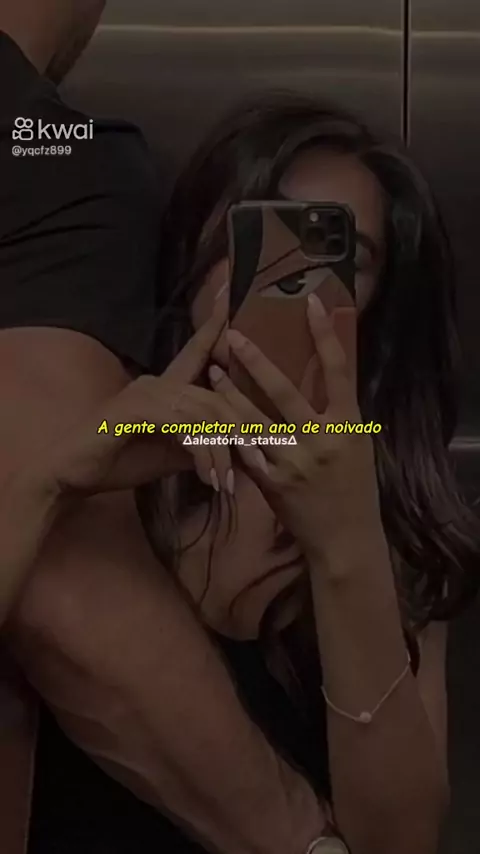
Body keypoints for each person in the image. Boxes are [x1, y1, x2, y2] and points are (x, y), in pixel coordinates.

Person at [2, 94, 479, 854]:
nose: (288, 281)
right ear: (192, 247)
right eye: (255, 237)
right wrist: (52, 479)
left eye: (338, 257)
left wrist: (348, 544)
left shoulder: (398, 518)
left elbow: (399, 842)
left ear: (378, 302)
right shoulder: (103, 455)